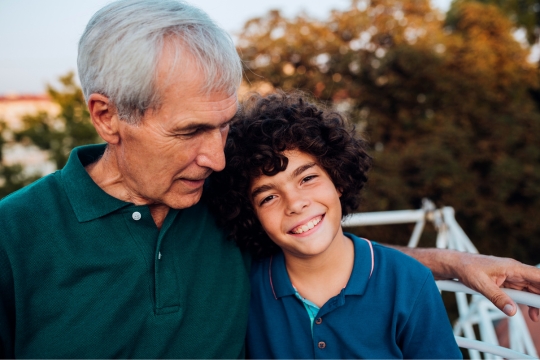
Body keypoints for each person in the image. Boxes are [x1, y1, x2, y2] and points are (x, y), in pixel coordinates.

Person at [0, 0, 539, 358]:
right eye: (190, 131)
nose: (216, 157)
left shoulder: (222, 202)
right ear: (107, 116)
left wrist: (455, 263)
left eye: (225, 125)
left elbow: (318, 253)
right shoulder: (13, 239)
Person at [207, 91, 463, 358]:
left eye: (307, 179)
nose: (295, 203)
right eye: (269, 197)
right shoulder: (246, 289)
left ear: (338, 179)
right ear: (252, 215)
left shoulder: (408, 281)